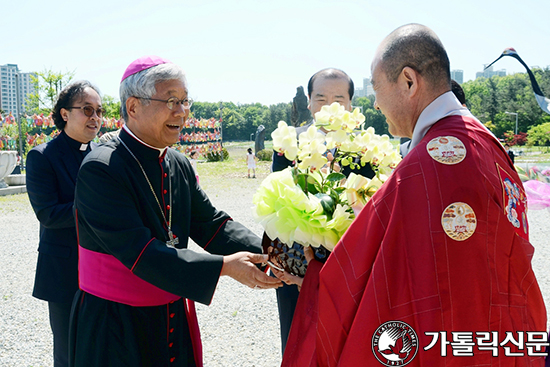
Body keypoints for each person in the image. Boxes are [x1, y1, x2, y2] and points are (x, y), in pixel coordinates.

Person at [281, 24, 547, 366]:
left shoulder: (429, 165)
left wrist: (315, 274)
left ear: (408, 81)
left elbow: (386, 279)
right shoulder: (483, 141)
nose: (375, 103)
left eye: (376, 87)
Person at [69, 56, 281, 367]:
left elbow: (212, 225)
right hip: (114, 322)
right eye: (171, 101)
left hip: (170, 314)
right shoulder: (102, 168)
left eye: (184, 101)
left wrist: (275, 253)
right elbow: (140, 252)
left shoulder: (177, 162)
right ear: (133, 107)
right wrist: (223, 266)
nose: (181, 112)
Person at [271, 68, 375, 354]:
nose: (330, 107)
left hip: (348, 261)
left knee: (346, 343)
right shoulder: (289, 142)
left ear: (351, 105)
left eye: (339, 99)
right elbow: (276, 201)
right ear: (308, 101)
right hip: (297, 259)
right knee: (297, 339)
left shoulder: (365, 147)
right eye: (321, 98)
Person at [26, 80, 103, 367]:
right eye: (86, 109)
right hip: (64, 271)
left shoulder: (103, 155)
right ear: (64, 114)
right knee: (69, 350)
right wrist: (98, 210)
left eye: (98, 110)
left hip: (102, 266)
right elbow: (48, 213)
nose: (95, 117)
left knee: (102, 344)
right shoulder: (41, 156)